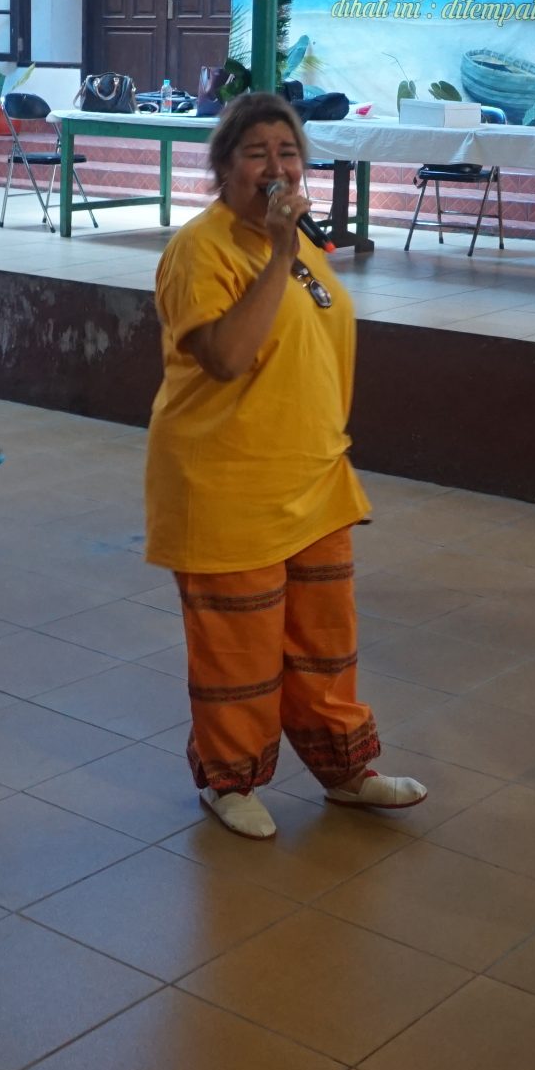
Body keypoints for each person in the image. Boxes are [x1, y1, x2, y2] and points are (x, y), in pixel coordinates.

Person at [145, 92, 426, 840]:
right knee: (238, 651)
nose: (277, 167)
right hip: (227, 483)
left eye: (289, 152)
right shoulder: (202, 249)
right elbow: (227, 358)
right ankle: (229, 780)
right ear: (222, 167)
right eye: (257, 153)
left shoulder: (300, 245)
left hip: (313, 477)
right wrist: (276, 252)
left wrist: (284, 248)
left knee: (325, 644)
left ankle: (346, 771)